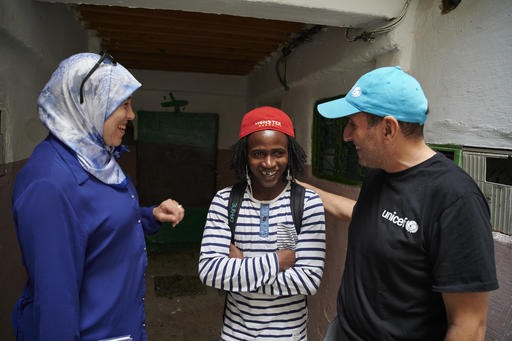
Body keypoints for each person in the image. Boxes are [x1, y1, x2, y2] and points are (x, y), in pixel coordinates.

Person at [298, 65, 499, 340]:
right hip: (345, 331)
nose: (346, 135)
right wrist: (303, 189)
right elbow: (372, 219)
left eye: (353, 124)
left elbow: (469, 324)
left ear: (388, 129)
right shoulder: (379, 173)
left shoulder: (455, 200)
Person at [11, 52, 185, 341]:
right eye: (123, 104)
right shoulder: (49, 184)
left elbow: (96, 225)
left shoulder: (94, 158)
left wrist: (148, 216)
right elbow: (56, 304)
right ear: (88, 102)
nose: (131, 115)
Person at [198, 106, 326, 340]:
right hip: (235, 334)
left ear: (290, 154)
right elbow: (210, 272)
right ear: (244, 155)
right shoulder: (225, 201)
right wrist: (277, 261)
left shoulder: (306, 203)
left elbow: (308, 281)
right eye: (258, 154)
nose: (268, 163)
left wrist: (242, 267)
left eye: (278, 153)